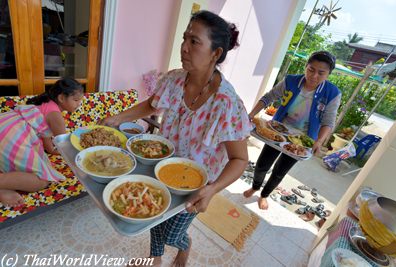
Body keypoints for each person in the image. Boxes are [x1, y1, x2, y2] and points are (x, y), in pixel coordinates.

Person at [101, 10, 252, 267]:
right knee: (152, 215)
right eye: (185, 39)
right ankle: (154, 258)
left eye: (194, 42)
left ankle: (185, 246)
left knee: (173, 232)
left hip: (196, 185)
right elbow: (152, 104)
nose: (184, 48)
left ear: (215, 53)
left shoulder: (228, 103)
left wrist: (212, 190)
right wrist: (117, 118)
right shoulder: (173, 80)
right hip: (161, 167)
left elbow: (239, 159)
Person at [243, 51, 341, 210]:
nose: (314, 75)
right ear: (306, 67)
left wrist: (319, 141)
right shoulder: (291, 81)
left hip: (303, 140)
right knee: (262, 164)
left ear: (328, 74)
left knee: (279, 172)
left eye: (321, 72)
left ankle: (264, 195)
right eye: (311, 69)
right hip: (278, 131)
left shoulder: (332, 93)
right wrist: (250, 115)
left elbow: (328, 121)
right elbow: (269, 97)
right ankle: (255, 187)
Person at [0, 77, 84, 207]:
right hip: (12, 136)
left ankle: (4, 187)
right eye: (76, 100)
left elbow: (50, 148)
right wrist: (83, 154)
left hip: (5, 126)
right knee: (42, 181)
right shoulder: (56, 116)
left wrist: (55, 153)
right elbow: (65, 147)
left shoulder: (45, 104)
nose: (79, 104)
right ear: (61, 98)